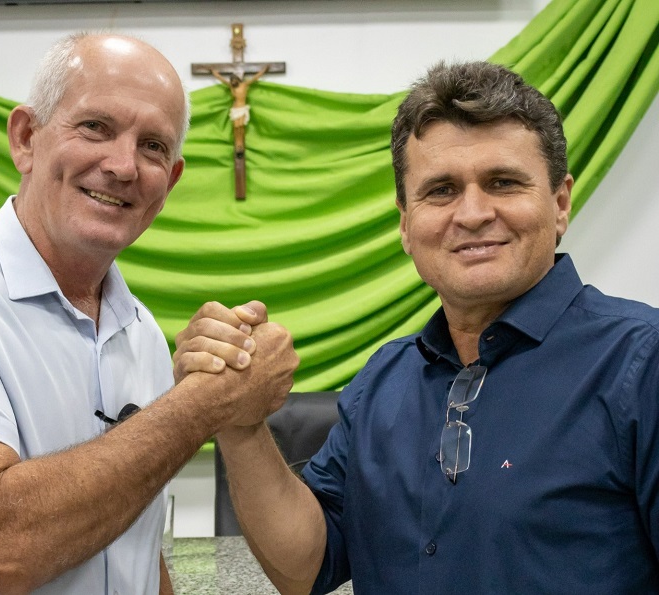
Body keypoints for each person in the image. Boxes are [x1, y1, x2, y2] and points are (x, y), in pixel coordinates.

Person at [174, 60, 659, 593]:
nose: (472, 213)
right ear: (406, 224)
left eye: (502, 183)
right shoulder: (384, 378)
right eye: (441, 190)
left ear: (560, 203)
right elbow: (304, 568)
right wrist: (239, 422)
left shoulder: (643, 365)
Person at [0, 32, 297, 594]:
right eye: (95, 127)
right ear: (25, 139)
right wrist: (208, 400)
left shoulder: (139, 332)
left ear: (169, 183)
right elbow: (3, 545)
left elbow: (133, 550)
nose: (123, 166)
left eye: (153, 146)